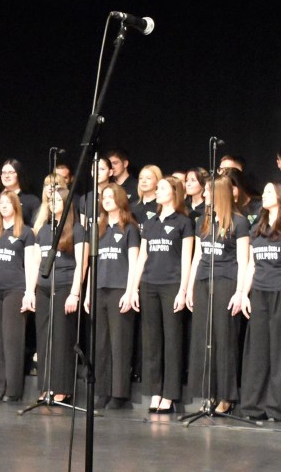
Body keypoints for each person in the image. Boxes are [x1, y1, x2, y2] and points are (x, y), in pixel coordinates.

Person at [239, 181, 281, 422]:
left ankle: (277, 409)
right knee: (257, 351)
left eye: (269, 191)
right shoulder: (257, 228)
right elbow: (252, 264)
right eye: (264, 191)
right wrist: (243, 293)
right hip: (260, 292)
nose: (265, 195)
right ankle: (253, 406)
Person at [186, 176, 250, 413]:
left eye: (208, 191)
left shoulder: (239, 222)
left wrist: (240, 291)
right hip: (203, 280)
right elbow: (197, 256)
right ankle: (208, 393)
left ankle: (226, 395)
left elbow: (243, 260)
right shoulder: (203, 220)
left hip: (226, 281)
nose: (204, 195)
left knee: (224, 339)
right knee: (204, 338)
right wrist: (190, 287)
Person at [131, 176, 194, 413]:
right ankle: (155, 391)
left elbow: (186, 259)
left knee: (172, 340)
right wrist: (134, 288)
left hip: (171, 285)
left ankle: (170, 394)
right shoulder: (150, 222)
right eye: (157, 188)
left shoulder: (184, 222)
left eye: (163, 188)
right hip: (149, 284)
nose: (157, 191)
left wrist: (183, 290)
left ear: (175, 193)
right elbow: (142, 257)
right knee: (152, 341)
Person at [0, 192, 39, 402]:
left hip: (15, 289)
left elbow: (30, 264)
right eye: (1, 203)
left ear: (16, 206)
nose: (3, 206)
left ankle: (12, 390)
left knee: (12, 339)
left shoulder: (26, 232)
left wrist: (29, 292)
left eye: (7, 203)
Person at [85, 183, 141, 409]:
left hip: (120, 289)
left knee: (119, 344)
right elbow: (92, 264)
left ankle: (118, 393)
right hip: (99, 289)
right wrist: (88, 293)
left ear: (120, 199)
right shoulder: (98, 229)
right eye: (104, 197)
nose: (106, 199)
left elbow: (134, 262)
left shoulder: (129, 228)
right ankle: (102, 391)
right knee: (100, 344)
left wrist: (130, 290)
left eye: (111, 196)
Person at [33, 187, 87, 405]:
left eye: (56, 199)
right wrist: (31, 290)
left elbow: (82, 263)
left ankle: (62, 388)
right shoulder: (44, 230)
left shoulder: (77, 229)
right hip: (44, 288)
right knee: (44, 338)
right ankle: (46, 386)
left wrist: (74, 293)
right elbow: (36, 262)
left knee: (62, 338)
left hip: (65, 286)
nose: (52, 203)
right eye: (50, 200)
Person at [0, 159, 40, 230]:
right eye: (3, 173)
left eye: (11, 172)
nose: (6, 176)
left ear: (19, 174)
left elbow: (36, 229)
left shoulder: (31, 201)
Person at [130, 165, 163, 230]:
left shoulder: (161, 207)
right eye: (141, 178)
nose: (143, 181)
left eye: (148, 178)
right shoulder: (132, 206)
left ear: (158, 181)